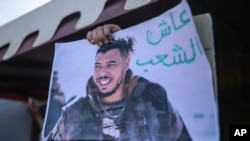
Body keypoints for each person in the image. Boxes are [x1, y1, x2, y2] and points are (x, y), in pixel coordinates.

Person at [45, 25, 191, 140]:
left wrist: (120, 31)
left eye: (111, 64)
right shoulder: (73, 113)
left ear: (126, 64)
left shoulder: (153, 99)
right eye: (98, 66)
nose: (102, 73)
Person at [43, 71, 66, 137]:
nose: (55, 81)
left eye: (56, 79)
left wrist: (59, 91)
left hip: (57, 127)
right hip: (48, 126)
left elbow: (63, 103)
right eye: (53, 79)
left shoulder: (59, 93)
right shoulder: (48, 93)